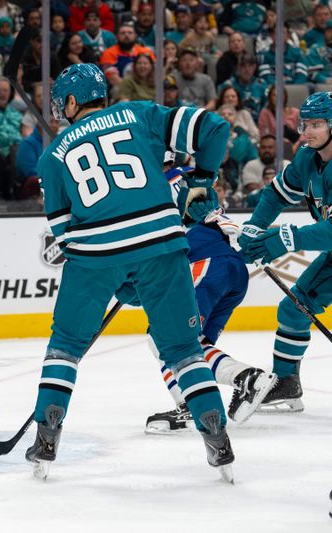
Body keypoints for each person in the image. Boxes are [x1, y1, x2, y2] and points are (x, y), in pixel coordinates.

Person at [27, 63, 234, 481]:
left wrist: (118, 279)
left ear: (70, 102)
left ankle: (47, 433)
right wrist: (203, 178)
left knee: (65, 346)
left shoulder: (52, 156)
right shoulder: (140, 113)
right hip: (163, 245)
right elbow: (214, 128)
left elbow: (65, 235)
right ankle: (216, 434)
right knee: (184, 352)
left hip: (94, 256)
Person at [144, 163, 277, 434]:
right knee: (192, 343)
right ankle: (194, 401)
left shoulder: (155, 181)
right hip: (230, 268)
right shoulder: (191, 176)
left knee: (165, 337)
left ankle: (245, 379)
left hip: (206, 261)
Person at [239, 92, 332, 414]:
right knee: (293, 310)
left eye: (317, 124)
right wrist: (254, 227)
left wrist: (287, 238)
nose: (306, 131)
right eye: (305, 123)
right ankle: (286, 383)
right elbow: (276, 195)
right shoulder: (307, 158)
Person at [99, 23, 154, 88]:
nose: (126, 35)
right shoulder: (109, 53)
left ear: (135, 36)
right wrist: (132, 90)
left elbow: (154, 73)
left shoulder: (146, 51)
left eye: (130, 33)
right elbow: (112, 78)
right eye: (123, 33)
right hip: (120, 88)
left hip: (146, 87)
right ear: (117, 36)